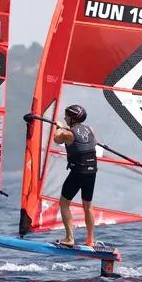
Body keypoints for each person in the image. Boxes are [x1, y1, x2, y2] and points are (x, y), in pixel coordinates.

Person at [51, 104, 97, 247]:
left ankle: (69, 238)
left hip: (78, 172)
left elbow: (57, 139)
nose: (65, 118)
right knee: (88, 206)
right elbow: (94, 143)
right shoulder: (90, 129)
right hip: (92, 171)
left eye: (66, 116)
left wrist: (59, 127)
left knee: (64, 203)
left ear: (72, 118)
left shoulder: (68, 134)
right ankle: (90, 240)